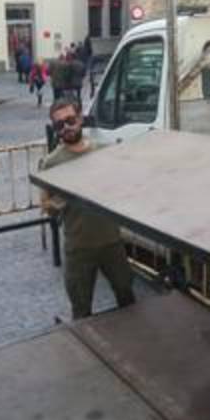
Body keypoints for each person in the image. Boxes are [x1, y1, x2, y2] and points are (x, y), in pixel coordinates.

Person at [38, 99, 137, 319]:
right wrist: (60, 201)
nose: (66, 128)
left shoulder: (104, 152)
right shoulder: (51, 163)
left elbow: (123, 187)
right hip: (79, 248)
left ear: (80, 119)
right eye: (59, 125)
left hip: (112, 242)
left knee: (127, 297)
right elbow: (45, 205)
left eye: (70, 120)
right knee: (81, 309)